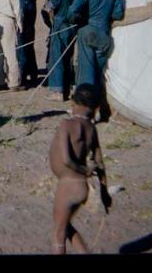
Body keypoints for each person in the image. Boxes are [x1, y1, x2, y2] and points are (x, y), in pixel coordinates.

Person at [49, 84, 112, 254]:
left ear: (74, 102)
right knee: (64, 225)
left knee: (58, 234)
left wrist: (83, 170)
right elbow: (100, 163)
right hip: (81, 187)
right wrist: (104, 193)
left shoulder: (66, 125)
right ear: (95, 107)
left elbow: (67, 159)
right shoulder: (91, 129)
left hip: (68, 184)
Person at [67, 0, 125, 119]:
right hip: (105, 38)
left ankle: (84, 113)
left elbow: (72, 11)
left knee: (85, 73)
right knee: (98, 75)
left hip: (88, 33)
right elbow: (118, 15)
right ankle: (98, 110)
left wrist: (76, 20)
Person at [45, 0, 79, 102]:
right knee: (68, 58)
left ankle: (57, 91)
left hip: (60, 28)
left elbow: (48, 9)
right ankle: (68, 88)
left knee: (57, 58)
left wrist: (51, 21)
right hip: (72, 28)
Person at [12, 0, 38, 86]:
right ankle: (31, 74)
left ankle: (23, 78)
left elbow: (25, 11)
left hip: (26, 27)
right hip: (18, 27)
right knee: (24, 52)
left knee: (25, 51)